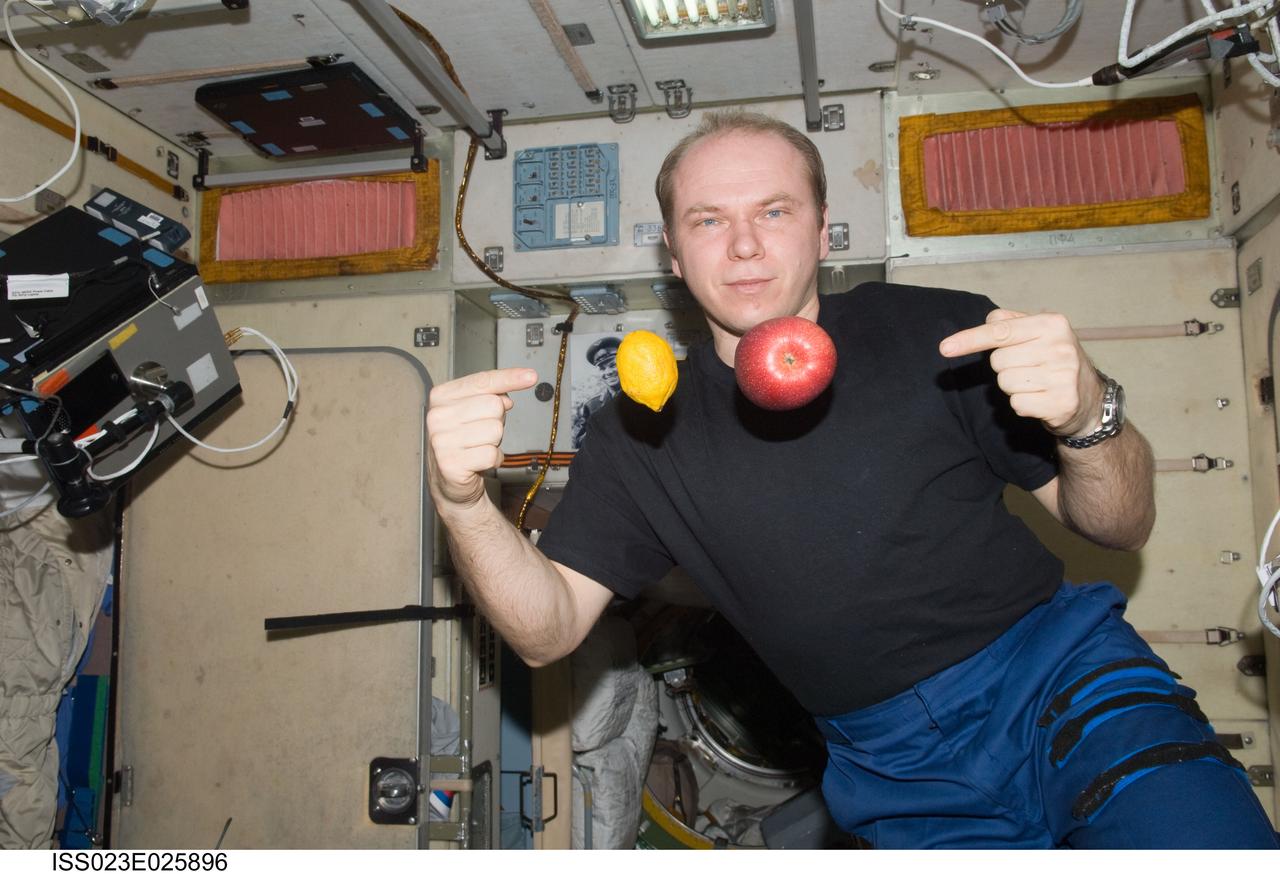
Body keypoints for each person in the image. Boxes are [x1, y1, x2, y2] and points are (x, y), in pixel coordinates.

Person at [425, 111, 1280, 848]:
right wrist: (460, 503)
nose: (747, 244)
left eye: (774, 209)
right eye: (709, 220)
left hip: (1059, 674)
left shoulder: (938, 331)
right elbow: (544, 633)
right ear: (674, 254)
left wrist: (1087, 414)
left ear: (824, 227)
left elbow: (1118, 524)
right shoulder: (636, 435)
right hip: (890, 762)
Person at [570, 335, 622, 449]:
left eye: (613, 365)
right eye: (602, 368)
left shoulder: (642, 398)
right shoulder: (592, 405)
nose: (608, 372)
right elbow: (576, 442)